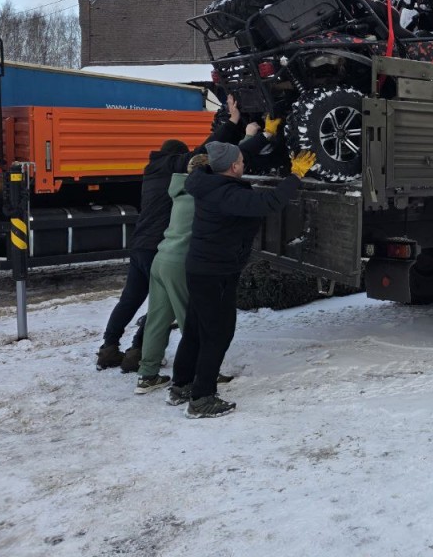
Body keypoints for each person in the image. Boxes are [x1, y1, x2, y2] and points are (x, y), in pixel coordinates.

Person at [95, 96, 246, 372]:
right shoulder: (172, 168)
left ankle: (109, 346)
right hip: (159, 248)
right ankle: (138, 352)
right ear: (176, 155)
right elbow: (203, 152)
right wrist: (234, 123)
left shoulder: (151, 170)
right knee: (160, 306)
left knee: (130, 299)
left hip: (140, 246)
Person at [168, 141, 317, 418]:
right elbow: (270, 202)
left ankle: (182, 385)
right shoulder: (225, 194)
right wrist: (295, 176)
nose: (244, 164)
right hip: (216, 272)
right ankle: (202, 398)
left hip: (202, 268)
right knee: (218, 333)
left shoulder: (207, 181)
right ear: (234, 167)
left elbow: (241, 171)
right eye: (241, 161)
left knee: (196, 329)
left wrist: (268, 136)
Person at [133, 153, 211, 394]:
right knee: (191, 321)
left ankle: (148, 374)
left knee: (157, 320)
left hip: (161, 259)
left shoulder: (180, 191)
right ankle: (203, 371)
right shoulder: (201, 196)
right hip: (179, 263)